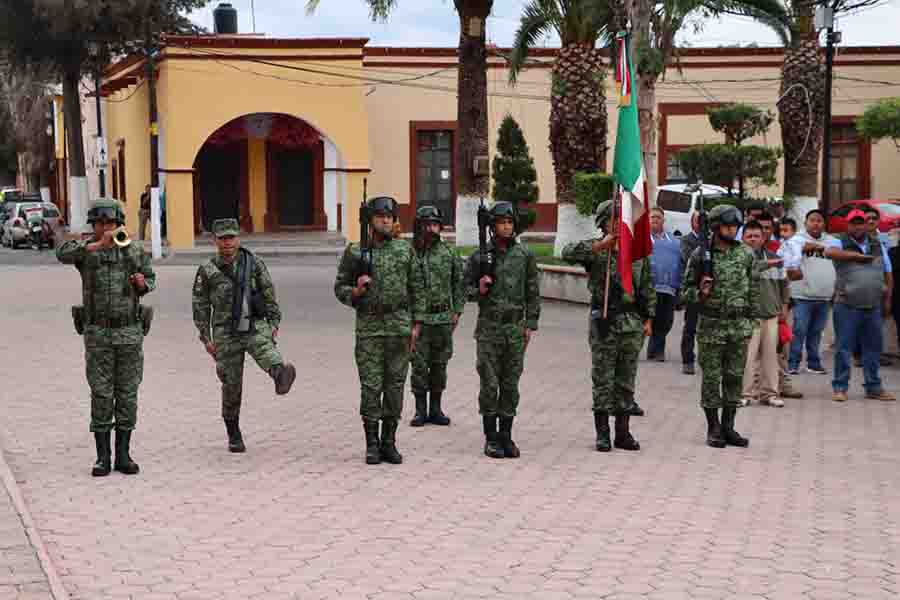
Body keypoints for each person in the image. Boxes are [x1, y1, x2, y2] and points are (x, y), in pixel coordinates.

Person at [57, 198, 156, 476]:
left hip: (129, 333)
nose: (105, 228)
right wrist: (97, 245)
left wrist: (142, 284)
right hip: (98, 333)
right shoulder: (87, 251)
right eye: (100, 223)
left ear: (119, 223)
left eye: (110, 223)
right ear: (94, 226)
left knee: (127, 393)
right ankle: (103, 457)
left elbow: (151, 278)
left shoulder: (133, 250)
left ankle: (123, 455)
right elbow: (61, 252)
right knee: (101, 394)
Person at [192, 218, 297, 453]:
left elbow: (269, 293)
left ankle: (280, 373)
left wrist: (273, 322)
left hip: (252, 322)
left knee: (265, 348)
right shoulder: (207, 270)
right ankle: (233, 432)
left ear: (238, 238)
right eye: (223, 238)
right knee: (231, 384)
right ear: (215, 240)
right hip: (224, 331)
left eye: (231, 237)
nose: (227, 242)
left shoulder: (254, 263)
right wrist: (206, 338)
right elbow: (200, 306)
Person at [334, 196, 425, 465]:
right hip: (370, 327)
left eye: (390, 216)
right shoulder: (355, 252)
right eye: (380, 216)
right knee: (371, 386)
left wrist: (417, 323)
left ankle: (389, 442)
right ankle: (371, 443)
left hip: (399, 325)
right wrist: (356, 291)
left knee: (395, 386)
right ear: (370, 220)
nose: (386, 220)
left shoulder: (404, 250)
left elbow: (417, 288)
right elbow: (339, 287)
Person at [562, 200, 655, 452]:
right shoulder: (598, 249)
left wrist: (648, 318)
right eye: (612, 219)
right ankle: (602, 433)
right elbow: (566, 252)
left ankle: (622, 433)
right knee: (603, 379)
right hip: (605, 321)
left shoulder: (637, 254)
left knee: (626, 380)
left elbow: (646, 287)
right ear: (602, 223)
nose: (617, 222)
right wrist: (598, 247)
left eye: (621, 218)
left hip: (631, 323)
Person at [465, 201, 540, 459]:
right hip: (489, 329)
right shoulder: (481, 257)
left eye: (510, 222)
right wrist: (480, 289)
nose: (507, 227)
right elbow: (464, 289)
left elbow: (532, 290)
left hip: (515, 328)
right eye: (501, 223)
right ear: (492, 226)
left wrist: (531, 323)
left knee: (510, 384)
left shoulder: (525, 255)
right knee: (490, 384)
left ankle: (506, 434)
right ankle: (491, 437)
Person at [682, 204, 758, 449]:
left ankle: (729, 426)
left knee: (734, 378)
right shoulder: (701, 256)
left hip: (738, 324)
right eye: (727, 226)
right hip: (712, 325)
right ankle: (713, 427)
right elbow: (683, 293)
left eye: (735, 226)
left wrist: (751, 322)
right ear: (715, 227)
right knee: (712, 378)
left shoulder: (746, 254)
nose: (732, 230)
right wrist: (700, 293)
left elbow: (754, 289)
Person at [824, 209, 896, 402]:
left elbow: (888, 272)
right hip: (846, 304)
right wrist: (856, 257)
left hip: (873, 304)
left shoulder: (877, 244)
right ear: (848, 225)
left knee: (873, 348)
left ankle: (873, 388)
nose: (857, 226)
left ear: (866, 225)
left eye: (861, 223)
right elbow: (829, 252)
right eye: (853, 223)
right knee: (844, 348)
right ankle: (840, 388)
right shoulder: (838, 241)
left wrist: (888, 298)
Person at [409, 205, 465, 427]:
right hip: (420, 321)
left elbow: (459, 284)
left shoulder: (449, 252)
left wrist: (457, 311)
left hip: (443, 319)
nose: (431, 229)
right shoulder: (411, 252)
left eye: (434, 224)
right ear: (419, 226)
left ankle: (436, 409)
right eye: (426, 224)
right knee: (419, 366)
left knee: (439, 365)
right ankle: (420, 410)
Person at [740, 221, 790, 408]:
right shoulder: (738, 258)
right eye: (749, 236)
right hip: (748, 316)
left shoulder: (775, 259)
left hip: (771, 315)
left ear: (764, 238)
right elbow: (748, 272)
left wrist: (784, 306)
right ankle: (745, 394)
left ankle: (770, 393)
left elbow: (784, 285)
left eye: (757, 236)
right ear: (743, 238)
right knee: (747, 358)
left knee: (771, 357)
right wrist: (766, 264)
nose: (753, 239)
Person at [784, 209, 836, 375]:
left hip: (824, 295)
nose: (816, 223)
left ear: (824, 223)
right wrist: (822, 247)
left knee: (816, 332)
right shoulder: (796, 239)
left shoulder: (832, 241)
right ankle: (793, 363)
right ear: (806, 223)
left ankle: (813, 363)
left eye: (819, 220)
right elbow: (798, 248)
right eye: (812, 220)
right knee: (799, 330)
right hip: (802, 296)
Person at [646, 207, 680, 362]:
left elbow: (681, 262)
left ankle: (656, 351)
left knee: (665, 321)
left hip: (669, 288)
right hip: (648, 287)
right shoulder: (642, 240)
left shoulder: (674, 241)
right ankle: (632, 350)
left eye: (658, 217)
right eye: (652, 217)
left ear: (663, 220)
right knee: (645, 319)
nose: (655, 220)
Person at [680, 212, 703, 375]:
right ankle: (687, 359)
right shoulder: (686, 240)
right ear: (692, 222)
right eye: (698, 220)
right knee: (690, 326)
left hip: (710, 290)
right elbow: (688, 258)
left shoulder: (711, 240)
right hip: (693, 288)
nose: (701, 224)